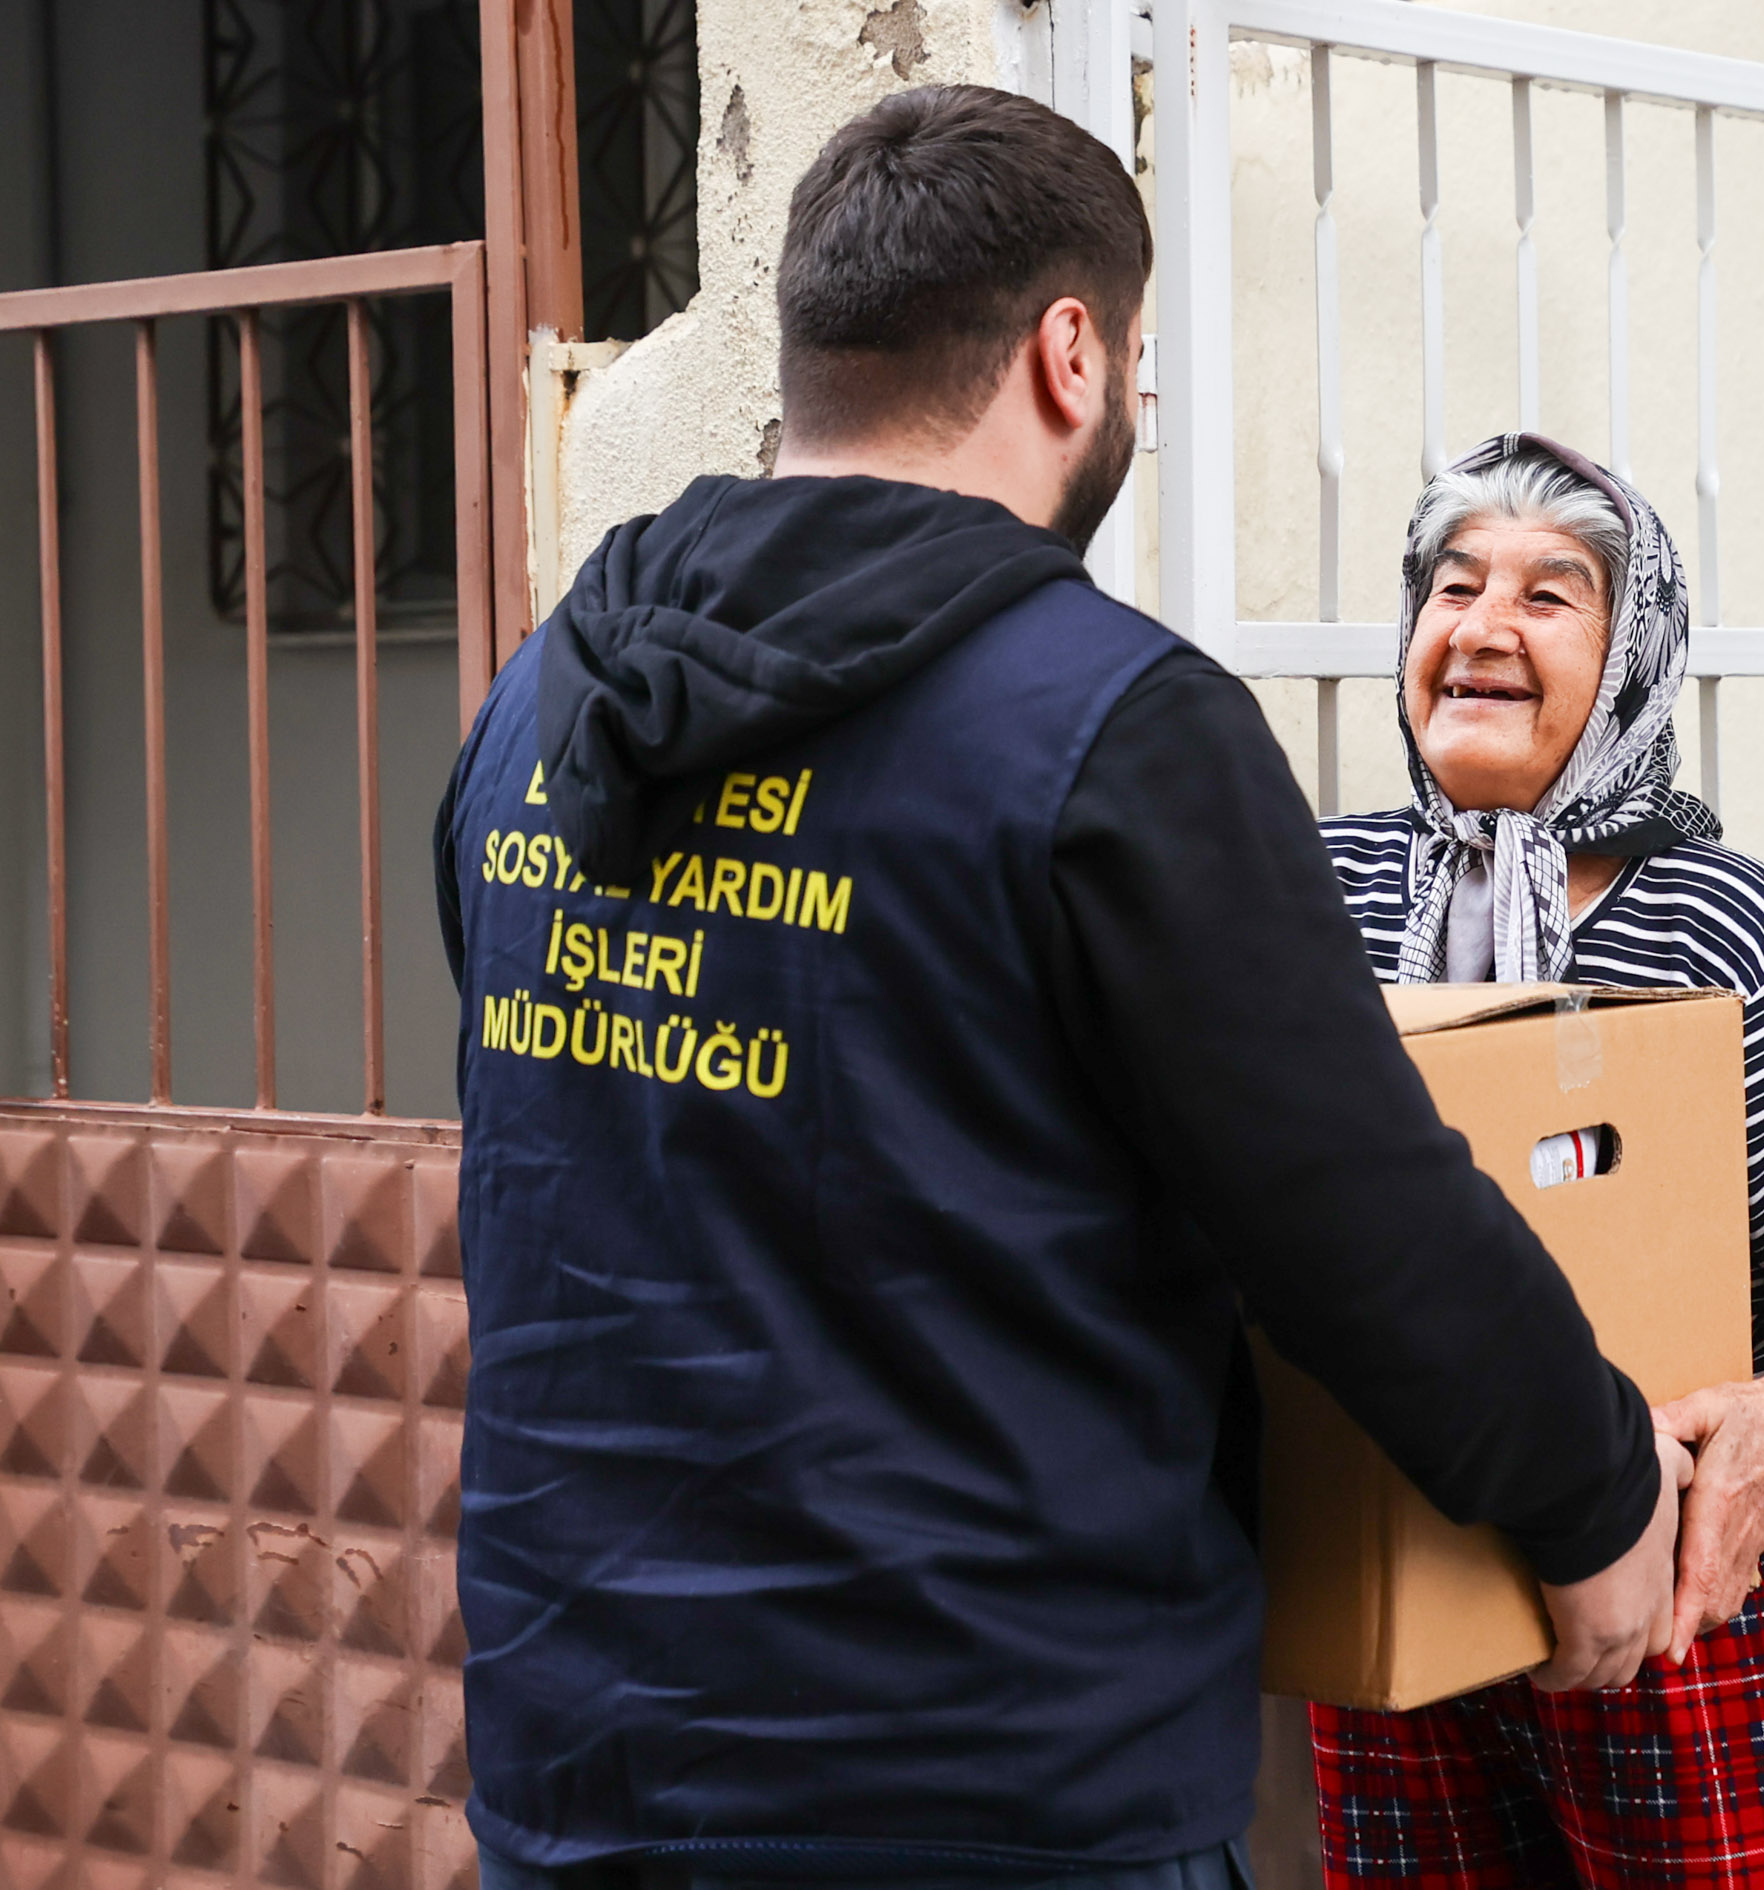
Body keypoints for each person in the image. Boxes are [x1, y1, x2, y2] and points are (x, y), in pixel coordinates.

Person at [436, 91, 1691, 1890]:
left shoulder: (534, 709)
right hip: (985, 1786)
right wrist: (1599, 1492)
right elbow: (1357, 1215)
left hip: (580, 1768)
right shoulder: (1111, 723)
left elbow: (558, 1160)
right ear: (1069, 351)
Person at [1311, 434, 1764, 1887]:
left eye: (1550, 596)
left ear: (1635, 657)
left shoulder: (1726, 922)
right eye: (1453, 585)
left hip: (1690, 1605)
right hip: (1408, 1562)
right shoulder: (1319, 889)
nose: (1481, 627)